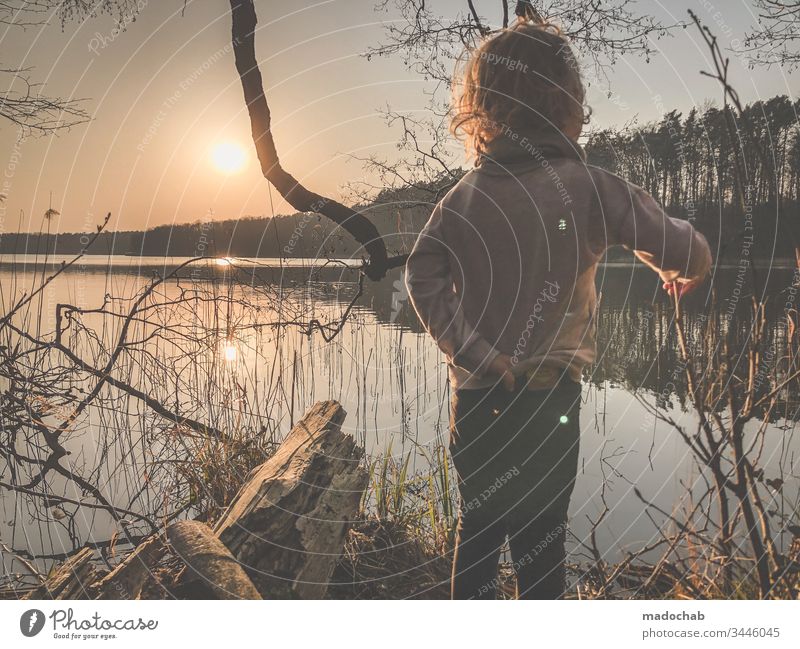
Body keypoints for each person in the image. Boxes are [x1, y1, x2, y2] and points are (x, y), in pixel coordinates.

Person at [404, 19, 712, 600]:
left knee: (478, 533)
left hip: (476, 400)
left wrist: (471, 349)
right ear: (569, 105)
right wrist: (682, 265)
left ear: (484, 110)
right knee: (542, 542)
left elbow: (421, 272)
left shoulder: (463, 198)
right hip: (550, 401)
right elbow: (683, 248)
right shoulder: (591, 188)